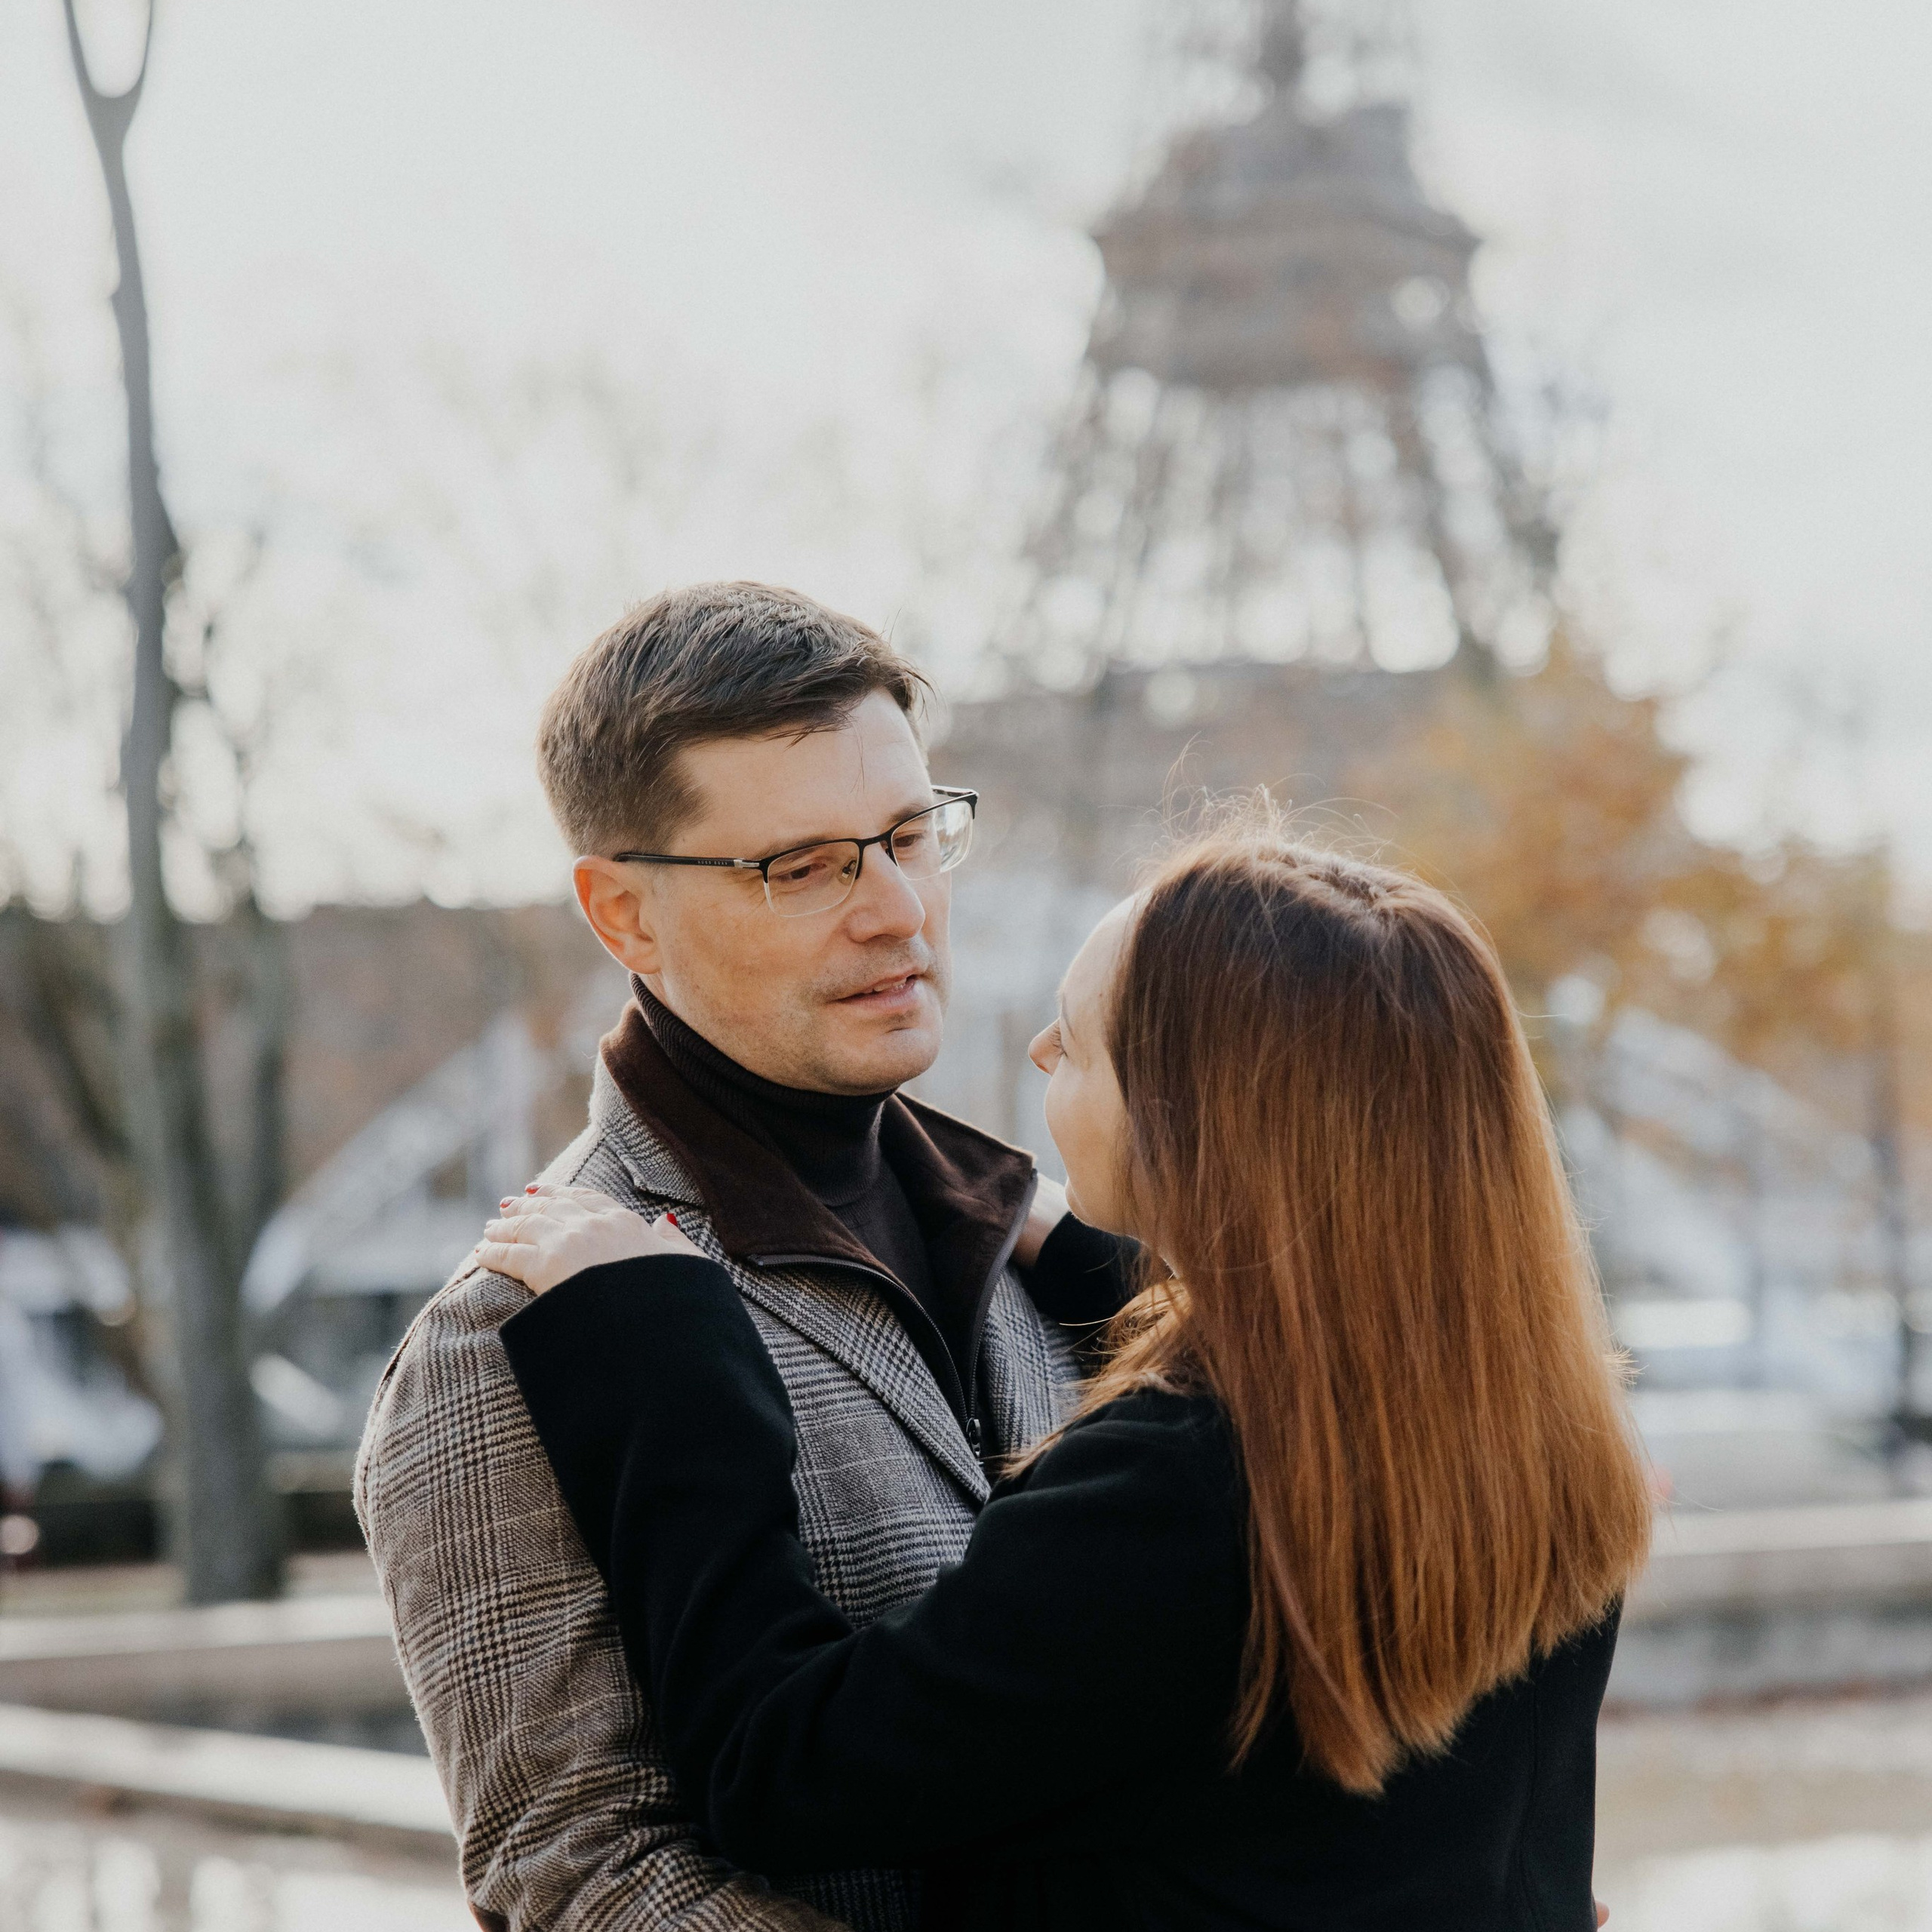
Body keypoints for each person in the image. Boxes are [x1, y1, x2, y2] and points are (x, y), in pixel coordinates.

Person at [479, 819, 1655, 1931]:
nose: (1040, 1051)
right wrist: (1110, 1258)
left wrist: (671, 1358)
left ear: (1196, 1127)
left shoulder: (1172, 1491)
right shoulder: (1536, 1423)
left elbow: (780, 1770)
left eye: (1079, 1043)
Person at [355, 582, 1128, 1932]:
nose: (898, 911)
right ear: (624, 916)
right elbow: (584, 1881)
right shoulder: (509, 1341)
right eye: (805, 867)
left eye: (910, 836)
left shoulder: (1049, 1245)